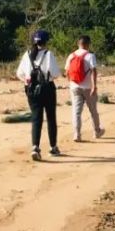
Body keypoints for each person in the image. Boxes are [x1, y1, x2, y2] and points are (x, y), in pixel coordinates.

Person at [16, 29, 62, 161]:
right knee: (51, 118)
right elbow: (55, 74)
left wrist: (26, 80)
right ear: (46, 41)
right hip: (47, 88)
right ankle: (53, 147)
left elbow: (20, 73)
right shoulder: (48, 54)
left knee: (36, 118)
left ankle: (35, 146)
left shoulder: (27, 54)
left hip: (31, 89)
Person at [64, 34, 105, 142]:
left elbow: (67, 72)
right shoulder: (90, 56)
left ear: (78, 44)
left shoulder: (71, 56)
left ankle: (77, 134)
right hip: (87, 87)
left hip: (74, 87)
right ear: (88, 44)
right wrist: (94, 86)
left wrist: (72, 83)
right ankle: (97, 131)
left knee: (76, 112)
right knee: (93, 111)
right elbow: (93, 71)